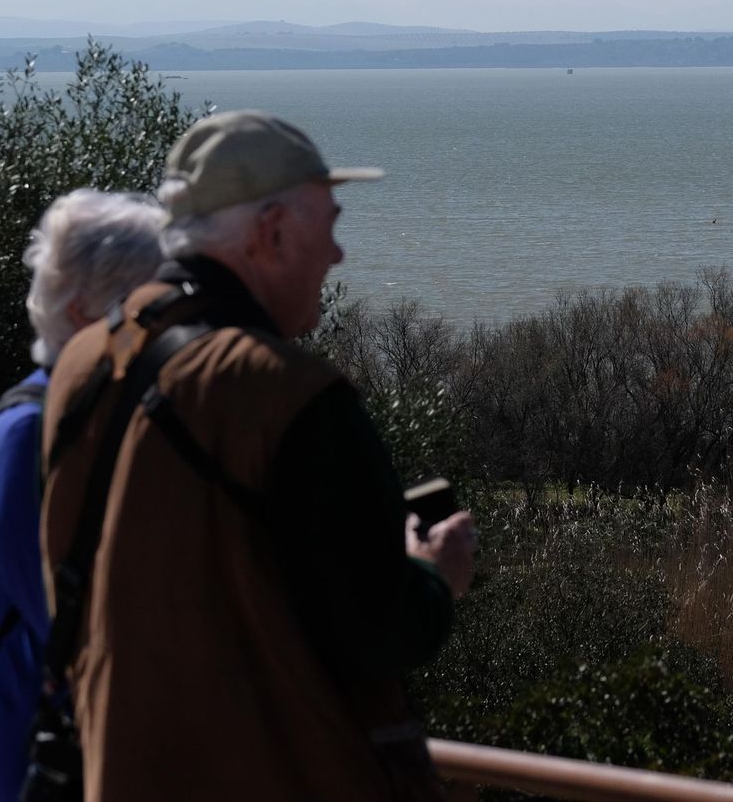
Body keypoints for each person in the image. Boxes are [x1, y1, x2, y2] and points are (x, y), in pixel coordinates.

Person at [39, 111, 476, 800]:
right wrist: (432, 576)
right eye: (330, 226)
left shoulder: (86, 360)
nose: (338, 255)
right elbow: (377, 629)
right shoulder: (285, 392)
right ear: (271, 231)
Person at [0, 190, 166, 802]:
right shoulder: (26, 433)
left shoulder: (95, 418)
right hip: (40, 759)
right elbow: (66, 621)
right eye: (143, 303)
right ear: (81, 310)